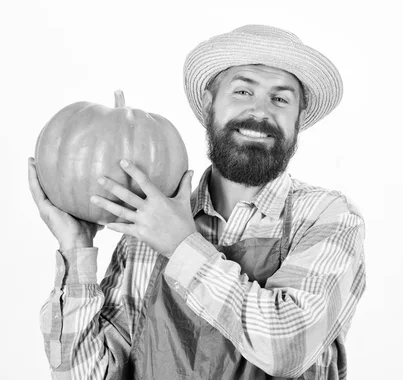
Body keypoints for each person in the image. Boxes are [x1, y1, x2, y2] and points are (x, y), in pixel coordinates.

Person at [29, 24, 366, 380]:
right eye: (242, 91)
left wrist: (181, 246)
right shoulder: (144, 231)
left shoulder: (328, 218)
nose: (261, 111)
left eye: (281, 99)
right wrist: (76, 248)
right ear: (209, 103)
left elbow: (287, 347)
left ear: (298, 119)